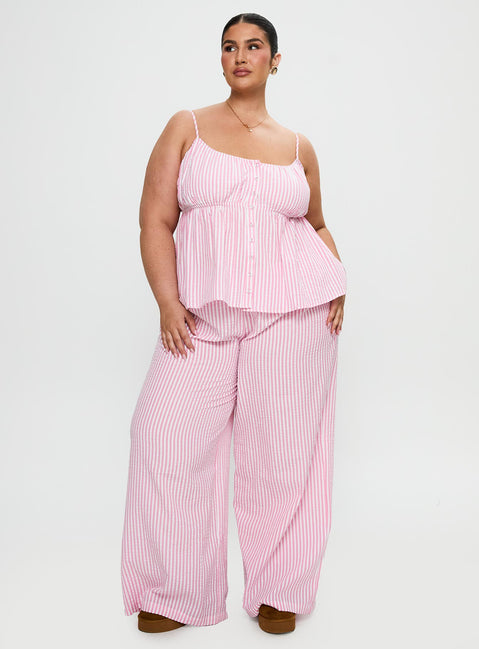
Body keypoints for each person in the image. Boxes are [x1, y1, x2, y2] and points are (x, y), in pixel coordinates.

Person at [121, 12, 347, 636]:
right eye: (229, 46)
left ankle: (280, 588)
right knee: (162, 435)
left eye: (253, 46)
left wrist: (337, 280)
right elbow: (154, 219)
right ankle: (173, 590)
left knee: (283, 454)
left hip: (294, 316)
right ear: (220, 59)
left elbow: (316, 224)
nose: (240, 55)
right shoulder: (186, 127)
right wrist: (168, 303)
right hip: (202, 316)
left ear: (275, 60)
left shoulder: (298, 147)